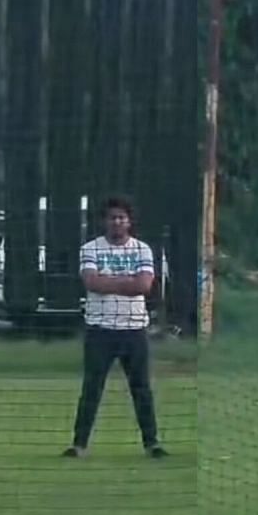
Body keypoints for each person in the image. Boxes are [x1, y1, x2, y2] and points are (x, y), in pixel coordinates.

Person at [64, 195, 168, 459]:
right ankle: (79, 445)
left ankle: (152, 443)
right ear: (104, 221)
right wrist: (126, 283)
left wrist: (110, 282)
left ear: (129, 221)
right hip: (100, 328)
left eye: (122, 217)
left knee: (141, 388)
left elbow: (144, 286)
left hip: (134, 329)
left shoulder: (142, 249)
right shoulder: (90, 249)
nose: (117, 222)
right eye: (112, 218)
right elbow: (91, 283)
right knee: (91, 388)